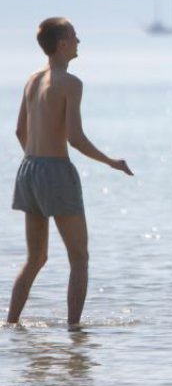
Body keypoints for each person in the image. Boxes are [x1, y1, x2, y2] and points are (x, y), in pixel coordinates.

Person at [7, 17, 133, 331]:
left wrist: (34, 163)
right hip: (54, 170)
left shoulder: (32, 79)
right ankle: (74, 330)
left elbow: (19, 130)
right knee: (79, 256)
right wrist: (109, 161)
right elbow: (74, 138)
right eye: (75, 36)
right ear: (62, 44)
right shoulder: (70, 83)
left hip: (28, 169)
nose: (79, 41)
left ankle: (10, 323)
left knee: (35, 258)